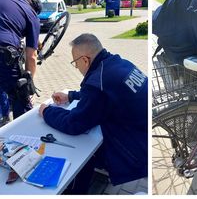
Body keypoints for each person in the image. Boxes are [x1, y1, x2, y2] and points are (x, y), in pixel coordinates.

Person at [38, 33, 148, 194]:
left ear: (84, 60)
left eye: (75, 63)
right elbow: (106, 95)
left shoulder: (98, 82)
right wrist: (71, 96)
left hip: (135, 152)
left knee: (85, 151)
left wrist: (46, 111)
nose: (76, 67)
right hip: (142, 132)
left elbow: (74, 124)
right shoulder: (119, 63)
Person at [0, 0, 41, 120]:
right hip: (3, 53)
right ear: (35, 10)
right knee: (20, 95)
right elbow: (31, 57)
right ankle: (22, 137)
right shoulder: (32, 15)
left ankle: (3, 117)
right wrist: (28, 87)